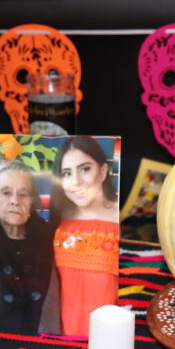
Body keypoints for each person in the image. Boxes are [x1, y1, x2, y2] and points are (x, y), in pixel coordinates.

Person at [0, 160, 60, 335]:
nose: (15, 201)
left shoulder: (50, 236)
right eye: (6, 193)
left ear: (32, 201)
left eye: (23, 194)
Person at [50, 136, 119, 337]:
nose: (76, 182)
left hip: (108, 339)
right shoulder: (56, 219)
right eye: (67, 173)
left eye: (85, 169)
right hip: (59, 339)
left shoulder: (120, 218)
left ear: (103, 171)